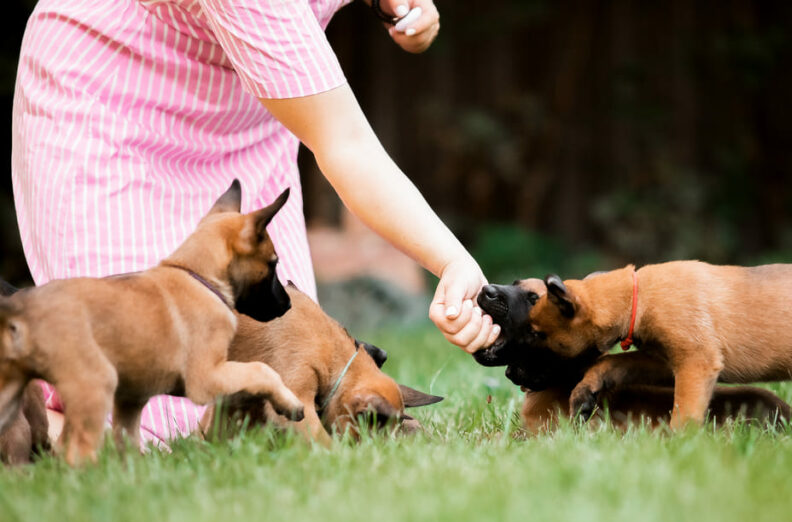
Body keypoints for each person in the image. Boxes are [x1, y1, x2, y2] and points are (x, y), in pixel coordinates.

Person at [12, 0, 499, 444]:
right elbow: (344, 143)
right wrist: (451, 261)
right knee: (155, 424)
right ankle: (18, 404)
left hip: (247, 118)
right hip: (114, 97)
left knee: (277, 389)